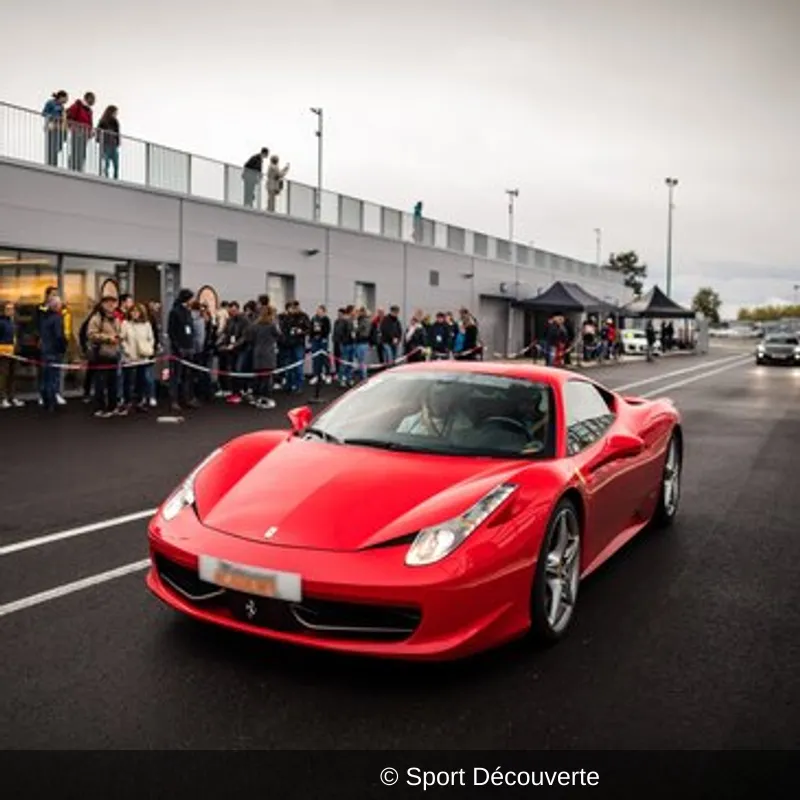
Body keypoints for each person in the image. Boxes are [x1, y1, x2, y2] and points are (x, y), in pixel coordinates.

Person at [87, 295, 122, 417]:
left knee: (113, 382)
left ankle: (112, 406)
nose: (111, 305)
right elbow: (91, 334)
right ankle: (100, 408)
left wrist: (119, 338)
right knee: (100, 382)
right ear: (102, 304)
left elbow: (119, 333)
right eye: (108, 303)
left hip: (114, 353)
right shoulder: (97, 318)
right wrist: (107, 338)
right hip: (101, 354)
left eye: (113, 303)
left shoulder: (116, 318)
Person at [167, 288, 198, 413]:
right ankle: (174, 400)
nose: (193, 300)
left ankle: (187, 398)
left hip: (189, 347)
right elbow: (171, 332)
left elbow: (190, 329)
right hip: (178, 349)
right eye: (191, 298)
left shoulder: (188, 312)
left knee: (188, 375)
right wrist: (177, 347)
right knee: (176, 376)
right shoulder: (175, 312)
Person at [120, 303, 156, 410]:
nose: (134, 313)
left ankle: (141, 401)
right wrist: (126, 350)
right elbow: (122, 339)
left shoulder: (146, 324)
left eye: (136, 311)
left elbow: (151, 338)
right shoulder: (125, 323)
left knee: (142, 379)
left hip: (142, 355)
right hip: (130, 356)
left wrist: (148, 348)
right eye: (132, 311)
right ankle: (127, 401)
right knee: (128, 379)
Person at [247, 305, 281, 409]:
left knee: (258, 377)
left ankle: (256, 398)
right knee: (267, 378)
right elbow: (279, 335)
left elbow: (250, 339)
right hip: (268, 354)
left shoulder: (254, 326)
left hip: (257, 353)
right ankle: (265, 399)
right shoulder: (272, 325)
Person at [38, 294, 68, 412]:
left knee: (45, 378)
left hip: (45, 351)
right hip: (54, 351)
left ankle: (45, 400)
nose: (61, 306)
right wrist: (63, 347)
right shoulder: (57, 318)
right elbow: (59, 336)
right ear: (56, 306)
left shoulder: (44, 318)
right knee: (53, 378)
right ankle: (52, 402)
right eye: (60, 304)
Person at [0, 301, 23, 408]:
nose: (10, 311)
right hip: (4, 353)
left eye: (12, 309)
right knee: (3, 376)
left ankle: (12, 396)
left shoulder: (14, 322)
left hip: (14, 351)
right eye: (8, 309)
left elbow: (17, 336)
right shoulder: (1, 322)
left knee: (13, 375)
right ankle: (3, 398)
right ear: (3, 310)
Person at [66, 91, 95, 172]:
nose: (94, 101)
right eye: (93, 99)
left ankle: (78, 168)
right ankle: (72, 168)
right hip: (77, 132)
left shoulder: (89, 110)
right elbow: (69, 115)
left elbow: (89, 123)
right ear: (88, 98)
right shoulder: (77, 105)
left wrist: (90, 132)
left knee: (82, 153)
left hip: (84, 134)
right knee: (76, 151)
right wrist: (73, 127)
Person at [42, 90, 68, 167]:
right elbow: (44, 113)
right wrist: (52, 118)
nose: (67, 100)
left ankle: (53, 163)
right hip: (52, 127)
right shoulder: (50, 103)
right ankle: (51, 163)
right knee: (51, 147)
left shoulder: (62, 107)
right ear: (61, 97)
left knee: (57, 147)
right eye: (66, 98)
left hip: (59, 129)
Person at [309, 304, 332, 385]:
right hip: (315, 341)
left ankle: (328, 375)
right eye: (317, 310)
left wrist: (321, 336)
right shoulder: (314, 319)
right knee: (315, 359)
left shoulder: (326, 319)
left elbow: (327, 330)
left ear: (324, 311)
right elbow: (310, 329)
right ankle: (316, 375)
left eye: (320, 310)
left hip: (323, 341)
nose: (318, 312)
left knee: (325, 359)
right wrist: (311, 339)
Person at [96, 105, 121, 179]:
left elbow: (117, 132)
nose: (116, 114)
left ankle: (115, 177)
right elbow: (98, 131)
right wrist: (98, 139)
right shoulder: (103, 121)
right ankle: (106, 176)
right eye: (115, 112)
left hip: (113, 144)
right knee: (106, 162)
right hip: (105, 143)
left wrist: (118, 142)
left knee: (116, 163)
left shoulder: (115, 122)